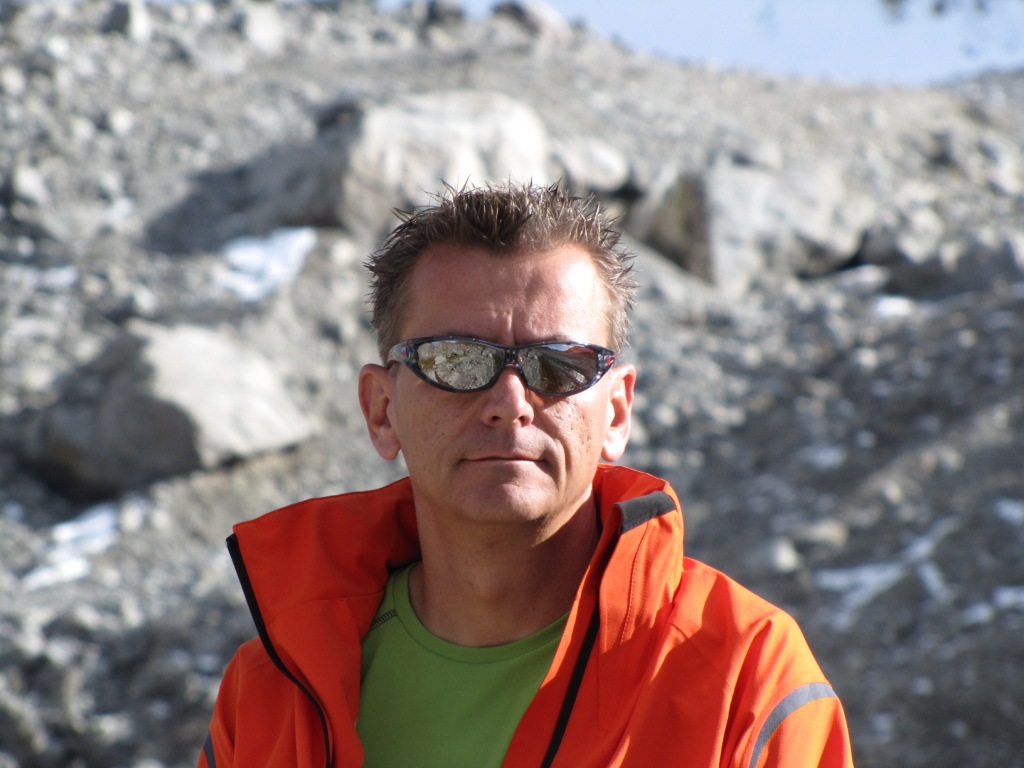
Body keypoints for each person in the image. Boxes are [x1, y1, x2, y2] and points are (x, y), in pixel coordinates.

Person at [198, 181, 854, 768]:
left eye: (558, 364)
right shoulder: (271, 691)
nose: (510, 402)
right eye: (457, 360)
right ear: (381, 410)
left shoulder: (746, 678)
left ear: (617, 411)